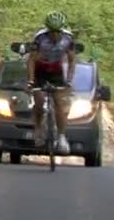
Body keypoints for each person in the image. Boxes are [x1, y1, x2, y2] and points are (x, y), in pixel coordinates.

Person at [26, 11, 76, 154]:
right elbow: (31, 60)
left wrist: (69, 79)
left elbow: (72, 59)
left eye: (57, 32)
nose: (54, 35)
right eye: (51, 32)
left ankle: (61, 137)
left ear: (62, 30)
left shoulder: (68, 38)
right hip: (39, 70)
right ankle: (38, 129)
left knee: (60, 104)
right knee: (39, 101)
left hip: (56, 71)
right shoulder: (40, 38)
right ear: (47, 30)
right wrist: (30, 80)